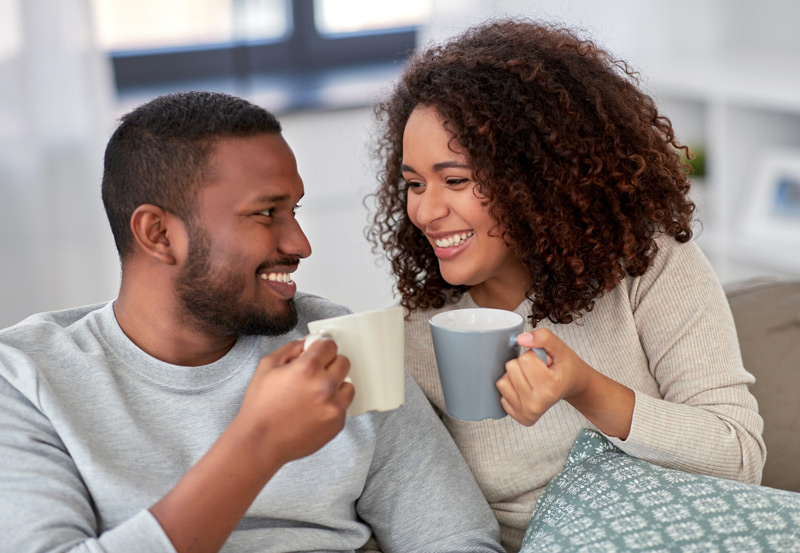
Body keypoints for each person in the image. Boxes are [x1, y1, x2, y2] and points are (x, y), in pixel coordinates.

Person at [0, 91, 505, 553]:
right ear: (158, 234)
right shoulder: (25, 379)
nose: (300, 244)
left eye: (295, 210)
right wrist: (258, 443)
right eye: (266, 213)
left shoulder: (335, 341)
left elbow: (454, 537)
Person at [367, 18, 766, 552]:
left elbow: (739, 458)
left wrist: (583, 388)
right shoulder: (416, 336)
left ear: (535, 175)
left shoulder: (650, 268)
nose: (426, 209)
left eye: (455, 180)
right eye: (413, 184)